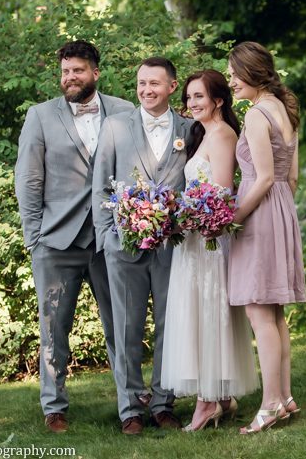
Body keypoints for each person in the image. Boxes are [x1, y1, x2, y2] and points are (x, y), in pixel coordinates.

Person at [14, 39, 134, 433]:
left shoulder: (123, 111)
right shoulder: (40, 116)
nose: (70, 78)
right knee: (53, 328)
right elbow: (29, 180)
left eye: (78, 71)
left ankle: (130, 407)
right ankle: (54, 408)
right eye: (65, 71)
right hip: (56, 241)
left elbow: (134, 170)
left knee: (121, 325)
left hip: (109, 240)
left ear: (95, 73)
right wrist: (34, 237)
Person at [92, 56, 193, 435]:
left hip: (172, 246)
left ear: (171, 86)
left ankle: (164, 403)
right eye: (141, 83)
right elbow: (100, 186)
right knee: (127, 328)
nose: (146, 90)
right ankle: (130, 408)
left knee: (170, 325)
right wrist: (108, 238)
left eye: (154, 83)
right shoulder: (116, 127)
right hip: (124, 247)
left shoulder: (189, 128)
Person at [160, 69, 259, 432]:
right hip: (193, 237)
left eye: (199, 96)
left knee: (206, 314)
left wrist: (186, 218)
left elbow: (219, 193)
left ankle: (207, 402)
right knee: (197, 314)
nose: (191, 103)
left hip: (208, 239)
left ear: (218, 100)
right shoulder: (204, 134)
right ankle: (220, 397)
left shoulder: (223, 135)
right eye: (188, 97)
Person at [226, 42, 306, 434]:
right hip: (281, 209)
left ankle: (271, 403)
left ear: (252, 73)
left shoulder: (258, 115)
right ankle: (285, 396)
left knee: (260, 312)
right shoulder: (285, 109)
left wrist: (234, 218)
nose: (230, 81)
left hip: (259, 213)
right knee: (274, 313)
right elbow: (290, 179)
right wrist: (281, 214)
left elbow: (261, 178)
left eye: (234, 73)